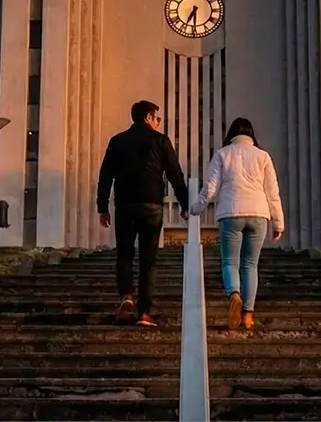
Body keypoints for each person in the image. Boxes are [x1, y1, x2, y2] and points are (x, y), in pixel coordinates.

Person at [97, 100, 189, 328]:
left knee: (125, 254)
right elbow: (174, 173)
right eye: (157, 118)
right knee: (149, 261)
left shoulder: (117, 141)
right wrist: (186, 203)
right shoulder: (160, 140)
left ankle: (127, 297)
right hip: (152, 205)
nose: (158, 122)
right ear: (148, 117)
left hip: (125, 205)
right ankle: (144, 313)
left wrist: (102, 207)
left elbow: (105, 175)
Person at [190, 117, 284, 330]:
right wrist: (278, 222)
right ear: (251, 135)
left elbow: (210, 189)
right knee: (250, 264)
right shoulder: (263, 156)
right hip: (259, 215)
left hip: (230, 213)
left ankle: (234, 293)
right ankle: (248, 316)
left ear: (231, 134)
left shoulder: (222, 154)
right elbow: (273, 192)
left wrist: (195, 209)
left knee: (230, 262)